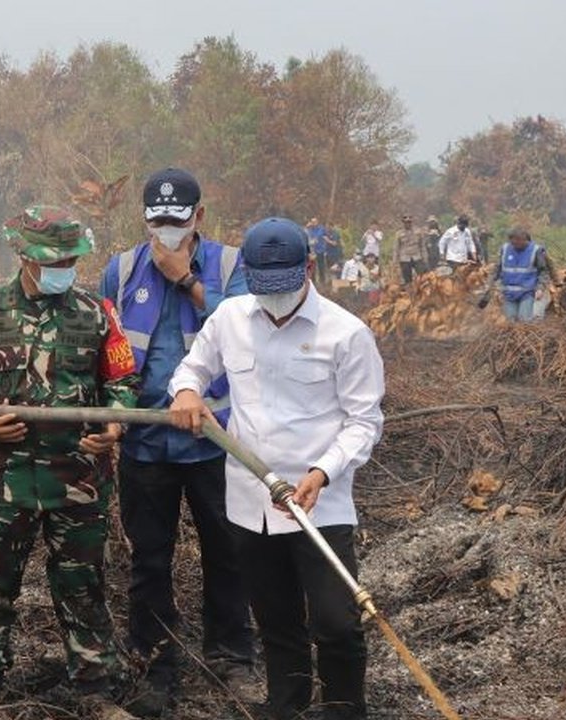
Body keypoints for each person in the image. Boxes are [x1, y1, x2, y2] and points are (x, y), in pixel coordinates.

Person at [168, 217, 385, 720]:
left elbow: (364, 421)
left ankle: (344, 710)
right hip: (250, 499)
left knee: (336, 621)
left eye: (284, 286)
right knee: (274, 617)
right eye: (263, 287)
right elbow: (191, 369)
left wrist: (322, 472)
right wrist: (187, 392)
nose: (274, 299)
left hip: (319, 501)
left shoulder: (346, 333)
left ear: (308, 267)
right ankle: (286, 705)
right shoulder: (229, 318)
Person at [0, 205, 140, 710]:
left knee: (83, 584)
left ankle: (93, 689)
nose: (63, 269)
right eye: (54, 260)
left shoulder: (97, 314)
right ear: (24, 256)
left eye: (70, 260)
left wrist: (113, 425)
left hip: (79, 478)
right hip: (5, 479)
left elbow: (121, 381)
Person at [98, 168, 254, 715]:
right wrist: (111, 419)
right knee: (149, 558)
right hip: (145, 444)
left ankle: (231, 655)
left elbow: (246, 333)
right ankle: (155, 662)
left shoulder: (231, 265)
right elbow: (106, 349)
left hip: (215, 440)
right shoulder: (120, 270)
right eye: (157, 220)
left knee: (228, 552)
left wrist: (185, 278)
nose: (166, 229)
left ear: (199, 217)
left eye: (177, 219)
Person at [480, 227, 551, 323]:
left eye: (518, 242)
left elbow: (544, 271)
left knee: (524, 321)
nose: (515, 245)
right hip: (509, 294)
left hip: (527, 293)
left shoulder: (535, 251)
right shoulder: (505, 249)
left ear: (525, 240)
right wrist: (489, 284)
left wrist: (540, 288)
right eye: (513, 242)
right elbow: (497, 270)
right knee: (511, 322)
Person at [392, 214, 427, 284]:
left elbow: (422, 246)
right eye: (406, 222)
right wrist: (394, 262)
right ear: (403, 223)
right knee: (407, 280)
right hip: (404, 258)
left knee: (422, 276)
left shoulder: (418, 232)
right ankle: (409, 289)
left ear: (411, 222)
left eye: (409, 222)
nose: (408, 224)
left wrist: (425, 258)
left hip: (417, 256)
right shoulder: (399, 234)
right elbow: (396, 248)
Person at [305, 218, 330, 285]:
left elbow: (325, 237)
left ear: (317, 222)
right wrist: (307, 227)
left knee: (321, 266)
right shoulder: (309, 229)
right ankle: (313, 281)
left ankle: (322, 281)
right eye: (312, 222)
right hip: (313, 251)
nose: (313, 223)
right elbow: (307, 236)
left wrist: (325, 247)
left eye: (315, 222)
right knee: (313, 267)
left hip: (320, 250)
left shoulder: (321, 229)